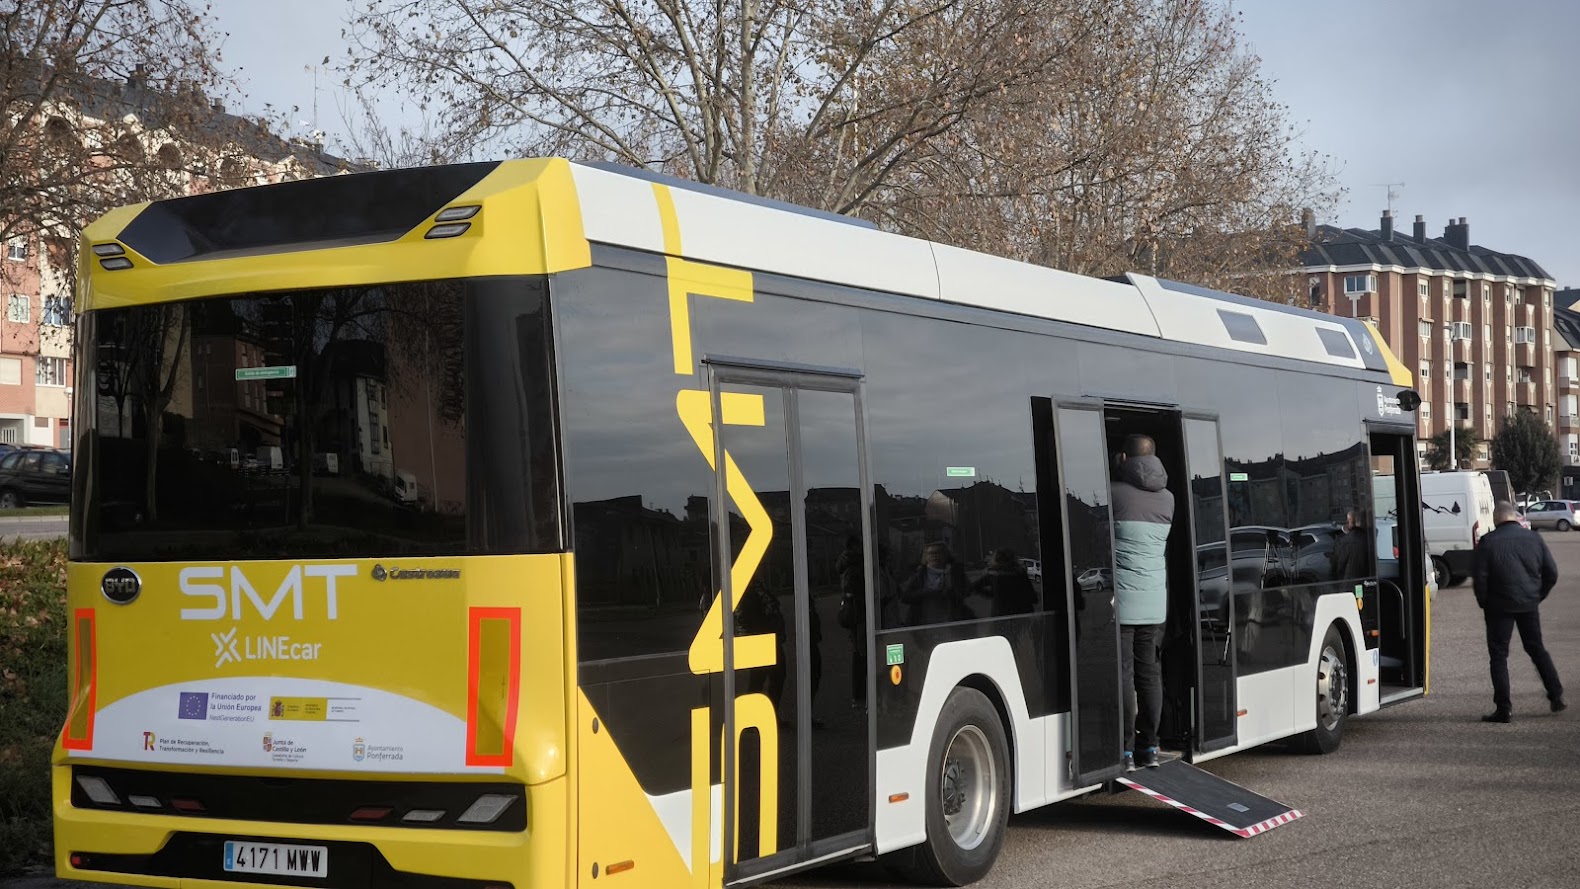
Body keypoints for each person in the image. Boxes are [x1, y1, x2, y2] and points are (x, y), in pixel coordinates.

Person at [1110, 434, 1175, 769]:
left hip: (1123, 604)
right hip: (1154, 603)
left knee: (1123, 674)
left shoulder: (1114, 495)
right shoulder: (1168, 500)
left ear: (1123, 457)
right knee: (1149, 674)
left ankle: (1124, 749)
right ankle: (1149, 747)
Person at [1472, 500, 1564, 723]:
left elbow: (1480, 578)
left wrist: (1484, 602)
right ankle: (1556, 694)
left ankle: (1504, 708)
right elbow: (1551, 573)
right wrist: (1536, 595)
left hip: (1498, 607)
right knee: (1536, 649)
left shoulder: (1488, 542)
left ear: (1496, 518)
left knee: (1499, 656)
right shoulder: (1533, 538)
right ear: (1514, 516)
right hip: (1528, 604)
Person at [899, 542, 969, 625]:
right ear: (925, 557)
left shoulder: (956, 573)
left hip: (951, 622)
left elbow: (966, 592)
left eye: (938, 552)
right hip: (924, 623)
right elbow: (905, 597)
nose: (934, 556)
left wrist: (951, 592)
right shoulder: (918, 574)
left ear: (946, 555)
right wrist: (925, 592)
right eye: (930, 553)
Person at [970, 547, 1037, 616]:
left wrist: (991, 594)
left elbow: (974, 586)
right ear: (1012, 558)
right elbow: (1031, 594)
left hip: (1001, 612)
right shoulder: (1019, 573)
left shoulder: (994, 574)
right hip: (1021, 611)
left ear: (996, 559)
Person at [1330, 509, 1371, 580]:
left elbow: (1338, 565)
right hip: (1366, 580)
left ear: (1349, 521)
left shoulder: (1344, 540)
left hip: (1349, 581)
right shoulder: (1368, 538)